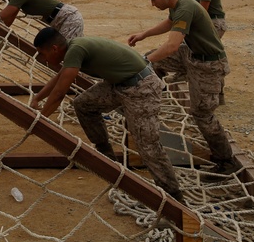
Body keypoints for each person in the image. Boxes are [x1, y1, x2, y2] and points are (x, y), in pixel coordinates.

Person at [31, 28, 184, 202]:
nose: (42, 58)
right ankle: (107, 156)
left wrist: (39, 120)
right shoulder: (73, 49)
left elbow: (60, 93)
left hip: (141, 87)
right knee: (84, 104)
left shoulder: (76, 49)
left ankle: (175, 200)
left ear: (55, 49)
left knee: (148, 146)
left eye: (42, 53)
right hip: (119, 84)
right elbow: (60, 77)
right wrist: (38, 97)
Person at [128, 0, 239, 180]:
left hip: (208, 64)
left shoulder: (186, 7)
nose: (152, 4)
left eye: (153, 0)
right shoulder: (178, 5)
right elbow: (169, 23)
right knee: (156, 62)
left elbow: (171, 46)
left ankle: (226, 161)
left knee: (202, 114)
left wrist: (144, 61)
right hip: (192, 54)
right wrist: (144, 34)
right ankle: (146, 103)